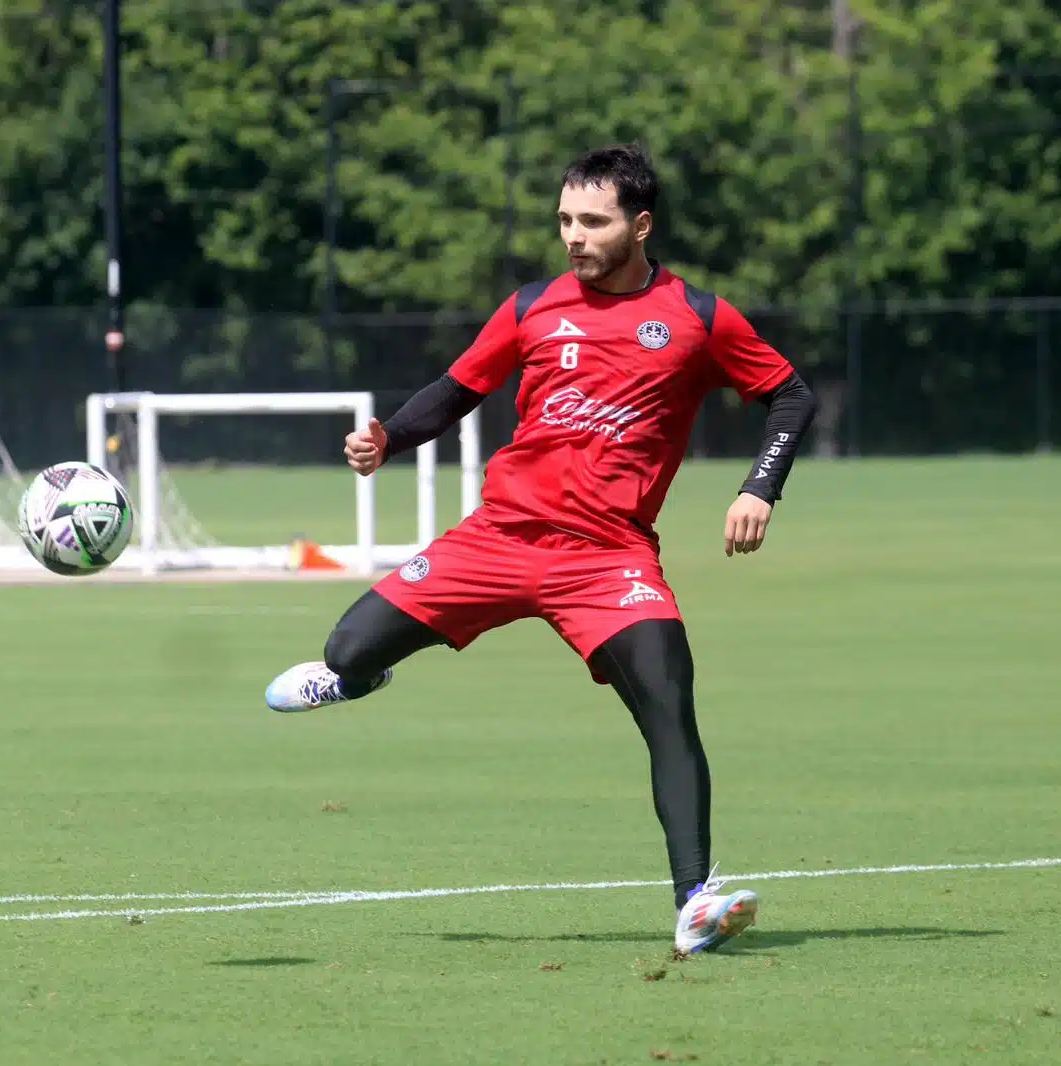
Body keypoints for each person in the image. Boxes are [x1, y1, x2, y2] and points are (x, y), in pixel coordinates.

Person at [266, 144, 817, 956]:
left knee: (668, 702)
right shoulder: (531, 306)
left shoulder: (700, 317)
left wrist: (758, 489)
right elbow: (458, 391)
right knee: (345, 647)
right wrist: (388, 435)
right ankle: (358, 676)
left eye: (592, 221)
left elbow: (790, 395)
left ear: (641, 224)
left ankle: (695, 900)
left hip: (608, 559)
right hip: (497, 539)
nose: (574, 236)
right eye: (565, 219)